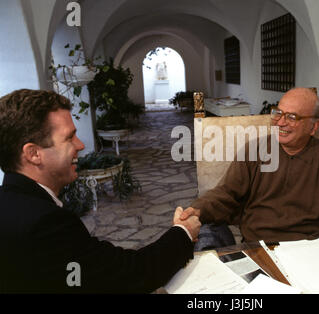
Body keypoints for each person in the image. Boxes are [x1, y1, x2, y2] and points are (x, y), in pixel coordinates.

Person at [0, 89, 201, 293]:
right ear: (33, 154)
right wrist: (183, 233)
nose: (80, 145)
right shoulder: (45, 223)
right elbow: (128, 275)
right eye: (69, 138)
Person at [181, 87, 319, 254]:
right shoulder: (255, 151)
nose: (280, 122)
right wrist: (198, 209)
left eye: (292, 117)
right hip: (261, 250)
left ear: (314, 126)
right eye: (278, 113)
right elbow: (226, 193)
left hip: (316, 252)